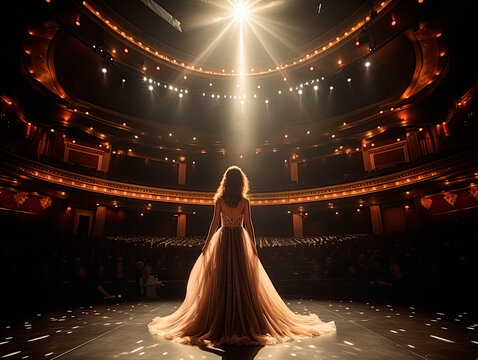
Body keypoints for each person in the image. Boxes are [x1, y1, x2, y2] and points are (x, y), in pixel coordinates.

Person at [148, 165, 335, 346]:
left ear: (226, 182)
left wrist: (206, 246)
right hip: (239, 239)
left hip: (223, 240)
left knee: (223, 278)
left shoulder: (220, 200)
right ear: (241, 183)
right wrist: (253, 246)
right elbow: (249, 225)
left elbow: (214, 224)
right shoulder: (244, 201)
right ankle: (239, 316)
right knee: (242, 279)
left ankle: (223, 317)